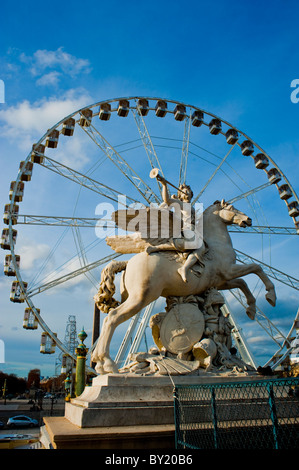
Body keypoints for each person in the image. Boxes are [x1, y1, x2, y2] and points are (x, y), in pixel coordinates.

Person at [146, 176, 206, 282]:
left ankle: (184, 267)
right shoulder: (181, 204)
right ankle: (158, 249)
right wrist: (164, 185)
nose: (187, 192)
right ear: (180, 195)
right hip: (185, 231)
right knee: (197, 245)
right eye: (184, 191)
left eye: (188, 191)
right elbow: (167, 200)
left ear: (192, 194)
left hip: (193, 232)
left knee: (202, 247)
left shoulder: (191, 208)